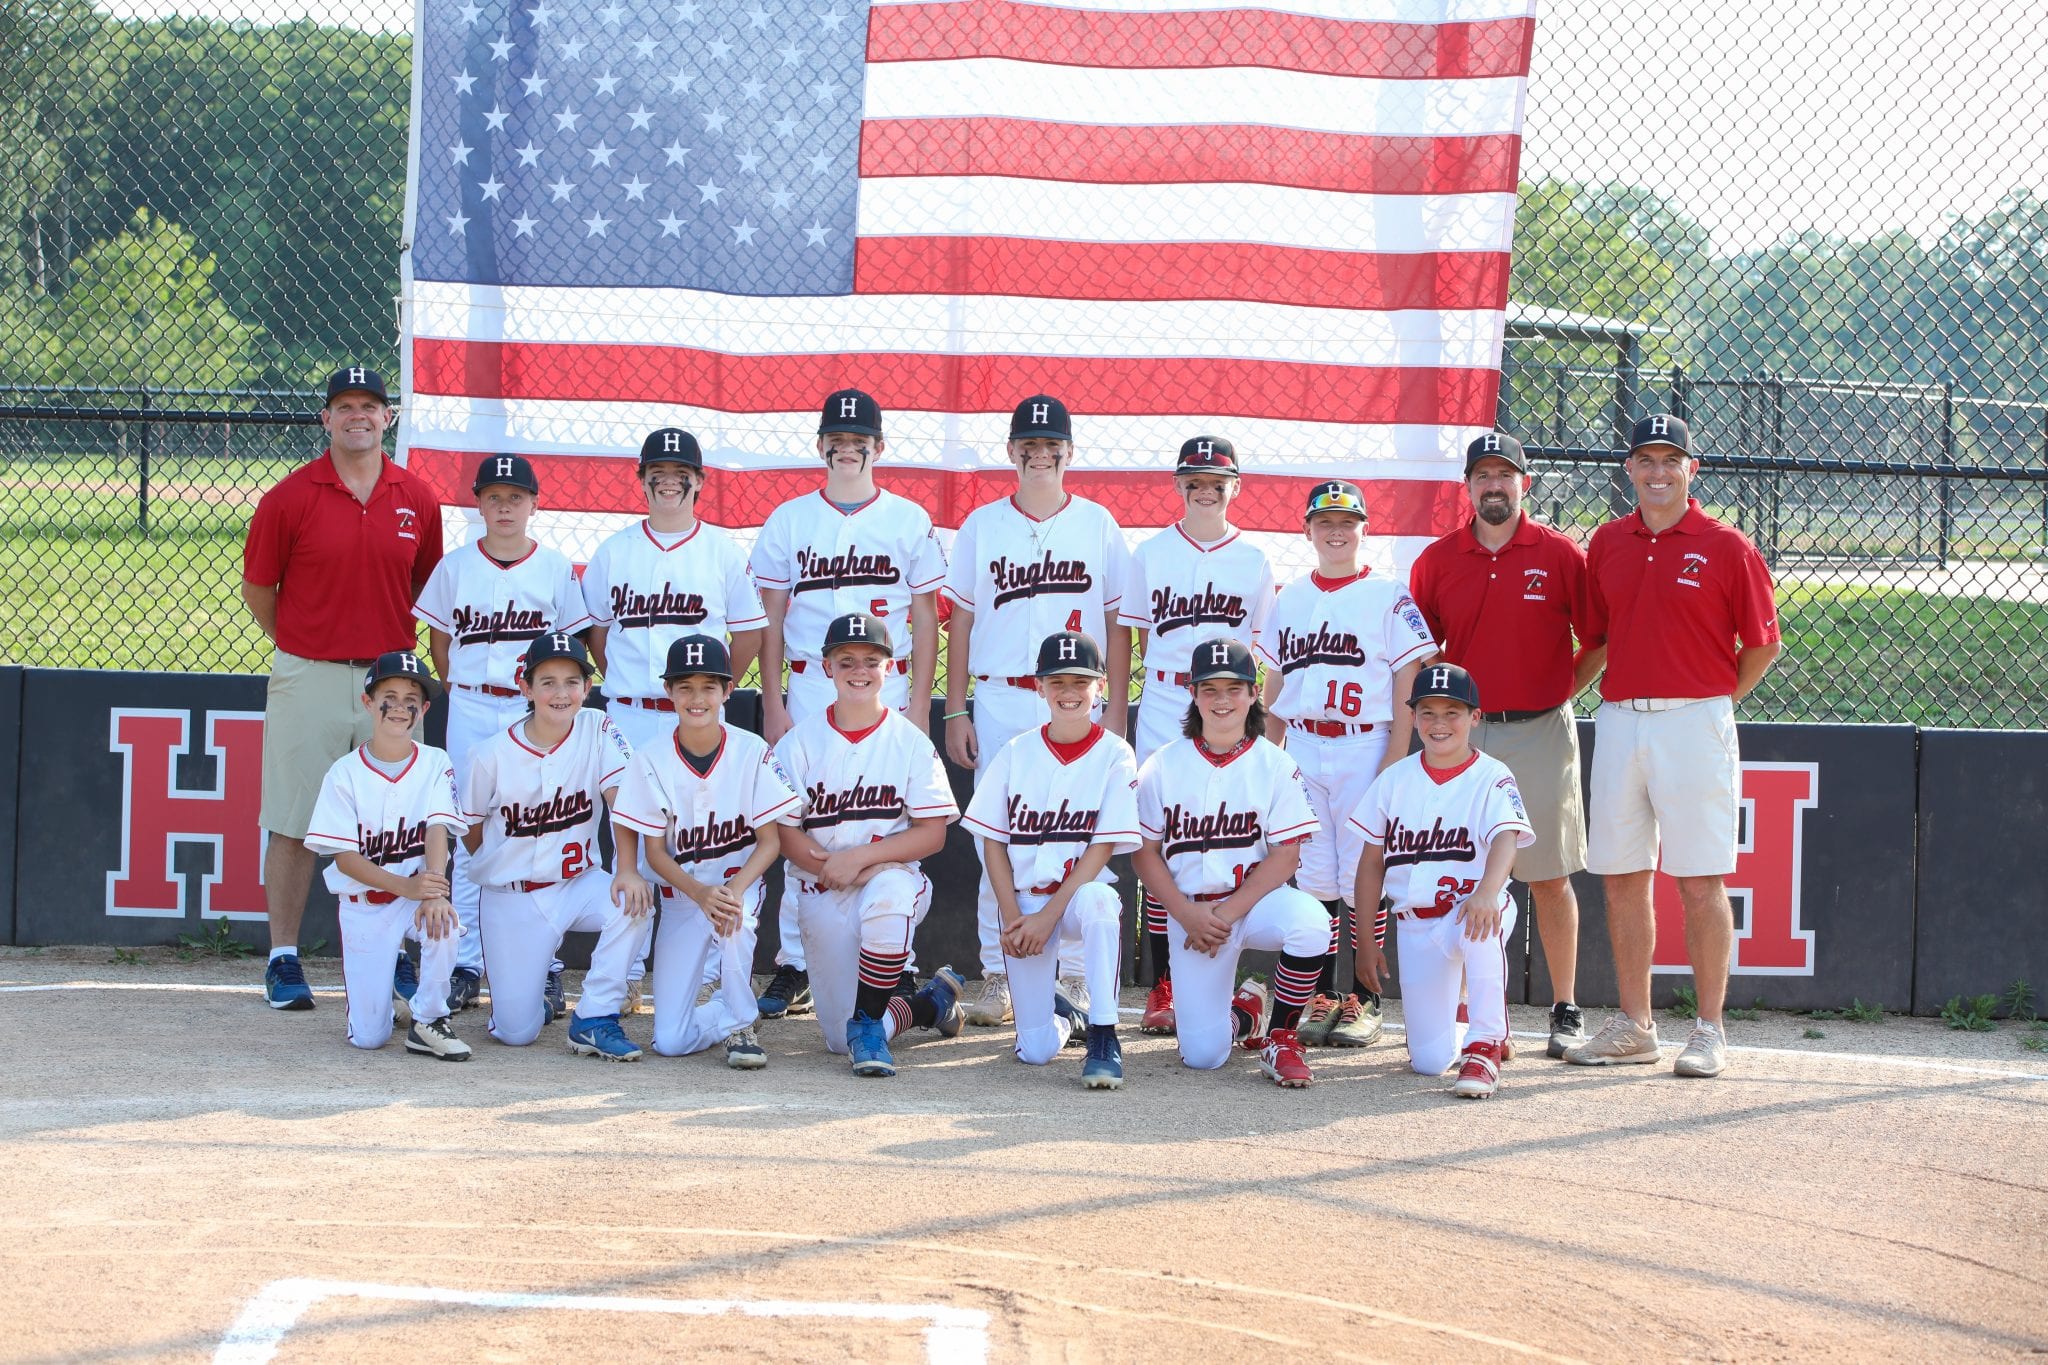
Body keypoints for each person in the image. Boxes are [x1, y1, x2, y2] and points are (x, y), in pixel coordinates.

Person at [1567, 414, 1781, 1079]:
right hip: (1620, 719)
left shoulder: (1728, 546)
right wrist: (1559, 695)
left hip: (1696, 720)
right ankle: (1636, 1025)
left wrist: (1712, 700)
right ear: (1629, 469)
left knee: (1700, 878)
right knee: (1622, 877)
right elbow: (1598, 639)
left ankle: (1710, 1028)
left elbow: (1763, 645)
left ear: (1693, 469)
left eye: (1670, 461)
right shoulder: (1607, 542)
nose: (1657, 473)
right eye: (1646, 460)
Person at [241, 366, 444, 1011]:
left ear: (388, 417)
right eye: (345, 406)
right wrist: (305, 642)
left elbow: (425, 588)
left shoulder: (417, 496)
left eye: (370, 405)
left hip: (392, 682)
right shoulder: (289, 497)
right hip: (311, 673)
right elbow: (259, 590)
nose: (359, 415)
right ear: (326, 418)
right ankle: (283, 957)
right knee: (295, 820)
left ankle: (393, 951)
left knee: (397, 825)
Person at [749, 389, 947, 1022]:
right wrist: (773, 701)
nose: (847, 448)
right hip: (812, 682)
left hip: (883, 683)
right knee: (802, 819)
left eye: (859, 440)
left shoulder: (908, 518)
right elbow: (770, 615)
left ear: (878, 447)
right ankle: (793, 962)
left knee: (887, 819)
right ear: (821, 446)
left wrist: (921, 704)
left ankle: (896, 959)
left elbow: (925, 617)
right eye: (837, 439)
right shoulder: (790, 519)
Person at [1407, 432, 1603, 1058]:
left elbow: (1596, 639)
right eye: (1483, 476)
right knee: (1462, 871)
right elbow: (1422, 648)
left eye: (1505, 475)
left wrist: (1558, 689)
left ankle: (1565, 1005)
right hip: (1464, 734)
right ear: (1467, 487)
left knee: (1548, 874)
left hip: (1541, 729)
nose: (1495, 486)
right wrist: (1448, 716)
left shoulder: (1559, 553)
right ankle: (1468, 1005)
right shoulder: (1438, 560)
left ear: (1525, 483)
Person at [943, 395, 1132, 1028]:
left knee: (1077, 831)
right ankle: (999, 970)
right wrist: (956, 708)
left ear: (1069, 452)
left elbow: (1117, 623)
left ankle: (1074, 976)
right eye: (1029, 445)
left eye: (1051, 446)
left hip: (1077, 696)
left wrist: (1116, 710)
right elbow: (960, 619)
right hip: (1000, 695)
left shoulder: (1098, 523)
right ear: (1011, 452)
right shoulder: (982, 525)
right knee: (999, 833)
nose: (1040, 454)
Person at [582, 427, 767, 1010]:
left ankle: (713, 969)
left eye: (680, 473)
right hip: (632, 713)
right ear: (642, 480)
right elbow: (596, 634)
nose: (669, 482)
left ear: (699, 482)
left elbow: (749, 634)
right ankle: (629, 971)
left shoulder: (721, 552)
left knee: (704, 838)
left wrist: (709, 694)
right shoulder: (614, 552)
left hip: (697, 715)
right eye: (657, 473)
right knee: (633, 844)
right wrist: (629, 683)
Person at [1255, 481, 1435, 1050]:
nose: (1336, 532)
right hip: (1304, 743)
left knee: (1363, 870)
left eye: (1347, 522)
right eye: (1325, 522)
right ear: (1307, 530)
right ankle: (1324, 993)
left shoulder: (1388, 594)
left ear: (1364, 529)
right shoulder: (1290, 597)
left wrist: (1394, 758)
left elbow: (1408, 678)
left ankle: (1366, 997)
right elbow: (1276, 681)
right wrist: (1267, 753)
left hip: (1365, 743)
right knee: (1314, 875)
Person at [413, 453, 590, 1014]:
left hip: (531, 709)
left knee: (540, 828)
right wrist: (459, 688)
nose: (505, 506)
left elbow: (572, 646)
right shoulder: (456, 566)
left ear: (534, 504)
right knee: (466, 828)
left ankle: (545, 966)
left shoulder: (555, 569)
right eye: (494, 497)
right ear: (479, 504)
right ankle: (466, 961)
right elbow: (440, 641)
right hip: (470, 704)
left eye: (516, 497)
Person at [1119, 436, 1276, 1038]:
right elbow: (1135, 636)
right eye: (1194, 480)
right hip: (1165, 698)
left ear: (1235, 487)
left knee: (1225, 834)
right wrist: (1123, 713)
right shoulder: (1151, 553)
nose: (1205, 490)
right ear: (1178, 485)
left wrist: (1261, 723)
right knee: (1164, 836)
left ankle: (1226, 973)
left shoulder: (1253, 559)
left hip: (1230, 705)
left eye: (1217, 481)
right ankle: (1165, 979)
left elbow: (1265, 651)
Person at [775, 613, 966, 1077]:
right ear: (827, 667)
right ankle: (929, 1004)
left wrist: (861, 860)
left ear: (890, 667)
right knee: (836, 1041)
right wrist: (831, 868)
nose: (859, 670)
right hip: (822, 887)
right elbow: (784, 832)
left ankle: (867, 1023)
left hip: (889, 877)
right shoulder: (798, 743)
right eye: (846, 661)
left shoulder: (910, 741)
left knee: (890, 897)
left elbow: (932, 833)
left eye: (871, 660)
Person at [1133, 638, 1329, 1088]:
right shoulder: (1162, 765)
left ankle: (1281, 1038)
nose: (1222, 700)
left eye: (1233, 688)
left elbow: (1287, 856)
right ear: (1192, 693)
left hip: (1253, 905)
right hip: (1191, 914)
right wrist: (1186, 914)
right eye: (1210, 689)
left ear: (1254, 693)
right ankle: (1246, 1013)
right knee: (1203, 1056)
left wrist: (1224, 914)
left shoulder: (1275, 764)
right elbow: (1143, 853)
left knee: (1312, 922)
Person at [610, 635, 803, 1069]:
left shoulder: (751, 750)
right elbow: (654, 853)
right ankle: (728, 1009)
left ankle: (741, 1025)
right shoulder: (650, 758)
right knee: (671, 1041)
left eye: (708, 687)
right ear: (669, 691)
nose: (697, 699)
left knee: (734, 919)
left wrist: (732, 890)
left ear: (728, 691)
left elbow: (770, 842)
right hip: (682, 898)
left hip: (739, 884)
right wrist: (700, 894)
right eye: (685, 687)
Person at [960, 631, 1139, 1089]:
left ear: (1100, 685)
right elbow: (993, 842)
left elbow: (1101, 849)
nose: (1068, 691)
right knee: (1035, 1052)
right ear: (1039, 687)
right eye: (1057, 681)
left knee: (1101, 900)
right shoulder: (1016, 752)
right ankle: (1067, 1018)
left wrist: (1049, 917)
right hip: (1025, 903)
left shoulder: (1116, 753)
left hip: (1074, 901)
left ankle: (1104, 1034)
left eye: (1081, 681)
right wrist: (1013, 917)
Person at [458, 632, 648, 1059]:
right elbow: (470, 830)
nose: (561, 693)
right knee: (516, 1033)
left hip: (578, 885)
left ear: (587, 687)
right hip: (513, 898)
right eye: (547, 682)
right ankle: (530, 987)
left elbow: (621, 801)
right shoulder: (489, 755)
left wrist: (627, 870)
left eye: (571, 681)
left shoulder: (598, 726)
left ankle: (594, 1016)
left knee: (634, 903)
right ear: (525, 688)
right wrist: (503, 864)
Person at [1351, 664, 1535, 1098]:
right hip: (1416, 923)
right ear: (1413, 717)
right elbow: (1371, 863)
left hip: (1470, 908)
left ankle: (1485, 1045)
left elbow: (1506, 837)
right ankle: (1467, 1015)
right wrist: (1365, 941)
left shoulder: (1492, 775)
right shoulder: (1394, 780)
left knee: (1481, 923)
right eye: (1428, 712)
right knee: (1429, 1063)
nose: (1439, 723)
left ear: (1474, 717)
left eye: (1452, 712)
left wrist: (1488, 891)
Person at [302, 652, 471, 1060]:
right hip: (365, 904)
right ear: (368, 703)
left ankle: (429, 1019)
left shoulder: (435, 762)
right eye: (388, 698)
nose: (399, 707)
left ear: (424, 709)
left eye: (411, 699)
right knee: (369, 1038)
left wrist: (432, 891)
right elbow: (345, 859)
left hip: (414, 898)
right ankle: (384, 998)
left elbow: (437, 828)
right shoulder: (344, 773)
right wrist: (407, 887)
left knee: (444, 924)